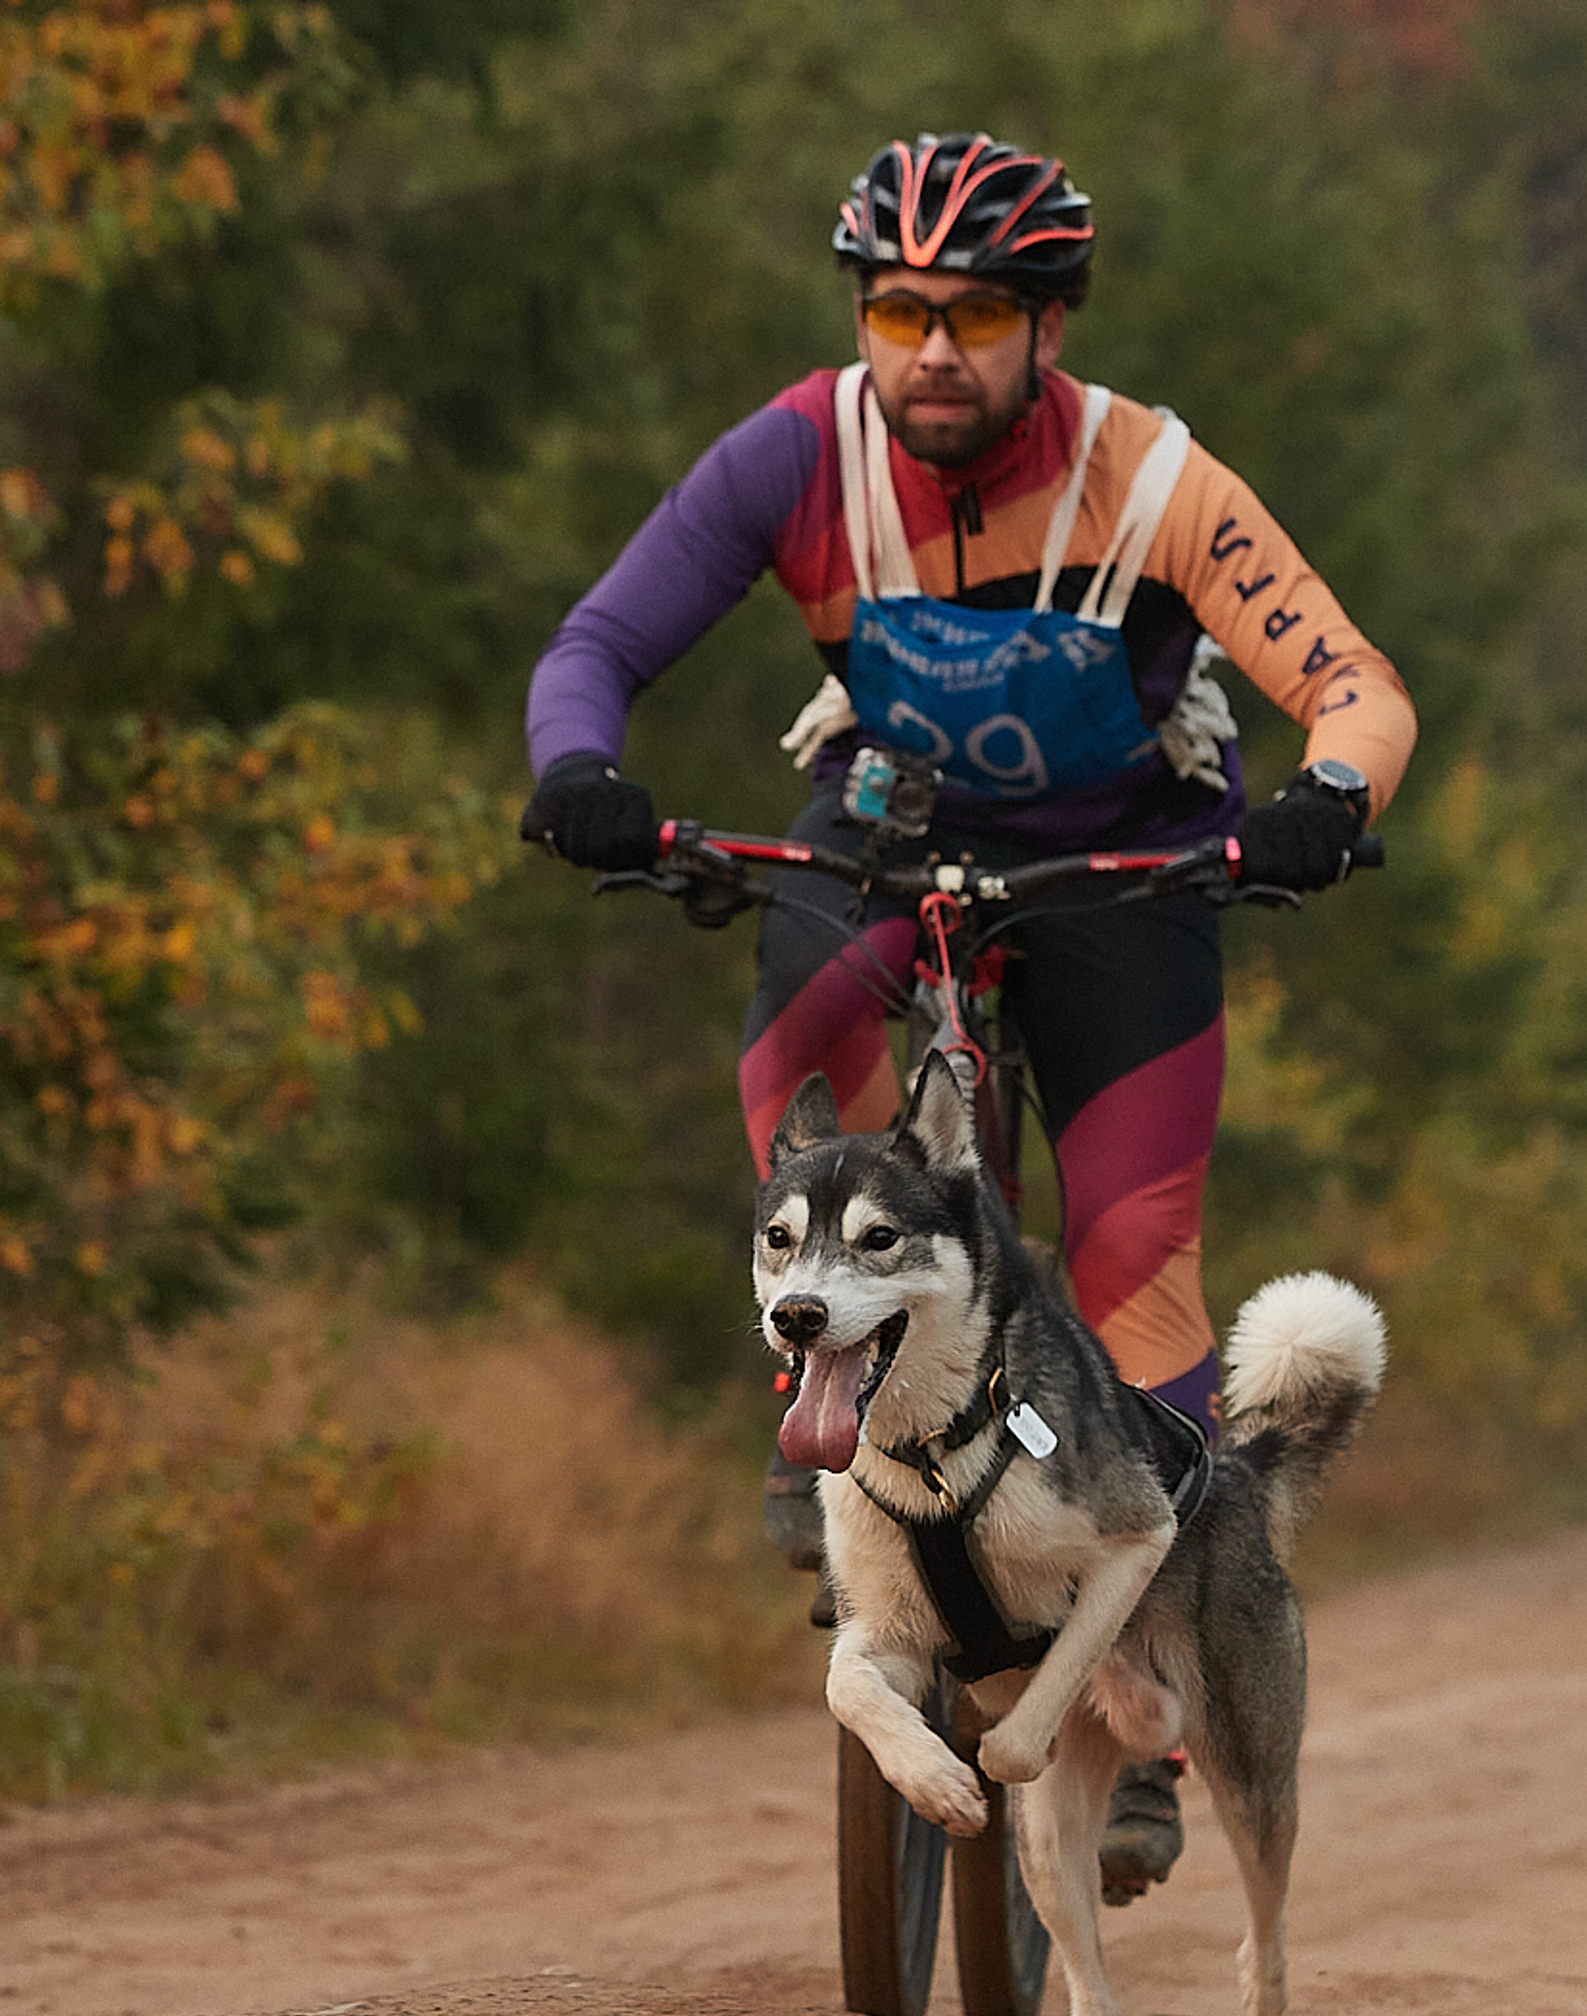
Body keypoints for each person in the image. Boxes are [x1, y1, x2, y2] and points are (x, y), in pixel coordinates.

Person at [520, 133, 1415, 1900]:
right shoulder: (795, 454)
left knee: (1137, 1251)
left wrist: (1327, 799)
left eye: (978, 313)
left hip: (1127, 865)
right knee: (795, 1053)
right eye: (899, 309)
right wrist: (584, 773)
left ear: (1047, 324)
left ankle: (1148, 1671)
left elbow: (1354, 683)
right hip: (891, 832)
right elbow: (595, 646)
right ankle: (823, 1401)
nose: (932, 348)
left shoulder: (1147, 474)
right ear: (865, 313)